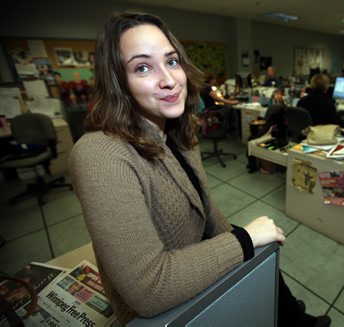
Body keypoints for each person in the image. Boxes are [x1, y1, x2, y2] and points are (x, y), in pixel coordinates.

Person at [69, 12, 330, 327]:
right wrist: (244, 240)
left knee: (265, 260)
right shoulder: (99, 154)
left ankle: (294, 317)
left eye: (172, 61)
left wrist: (250, 246)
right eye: (142, 67)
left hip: (196, 256)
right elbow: (150, 290)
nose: (168, 79)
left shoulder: (180, 129)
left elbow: (207, 212)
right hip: (165, 311)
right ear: (117, 82)